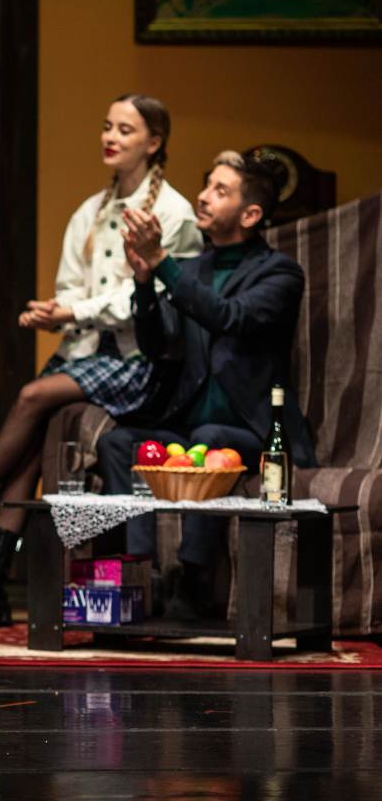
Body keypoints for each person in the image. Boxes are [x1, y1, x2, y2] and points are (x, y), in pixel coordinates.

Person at [0, 94, 203, 625]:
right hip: (85, 350)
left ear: (154, 142)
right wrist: (53, 312)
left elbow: (148, 302)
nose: (110, 137)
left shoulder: (173, 214)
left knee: (34, 395)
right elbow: (72, 287)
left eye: (125, 130)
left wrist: (73, 309)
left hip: (143, 358)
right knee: (33, 440)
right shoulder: (90, 211)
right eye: (107, 126)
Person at [98, 151, 312, 619]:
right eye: (206, 185)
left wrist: (162, 262)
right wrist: (143, 282)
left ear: (250, 214)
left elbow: (229, 317)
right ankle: (142, 574)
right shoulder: (192, 270)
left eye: (220, 190)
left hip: (252, 431)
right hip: (189, 427)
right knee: (118, 443)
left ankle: (192, 578)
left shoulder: (280, 274)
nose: (202, 196)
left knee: (211, 435)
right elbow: (158, 346)